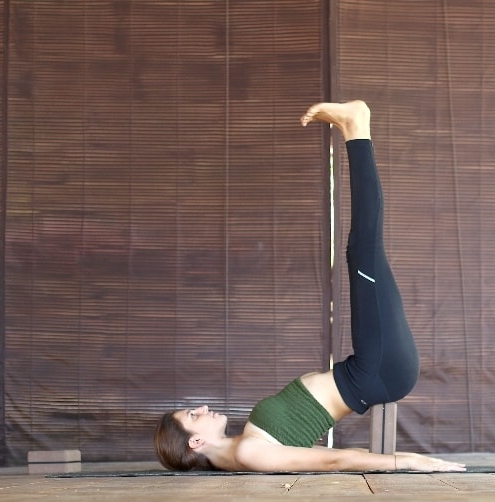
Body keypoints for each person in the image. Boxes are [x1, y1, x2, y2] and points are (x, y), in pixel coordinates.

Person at [154, 101, 466, 473]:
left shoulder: (242, 448)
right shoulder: (249, 453)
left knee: (362, 248)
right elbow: (333, 459)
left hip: (368, 368)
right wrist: (407, 462)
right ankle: (356, 126)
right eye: (193, 414)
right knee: (363, 247)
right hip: (379, 368)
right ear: (195, 440)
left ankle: (354, 126)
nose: (202, 408)